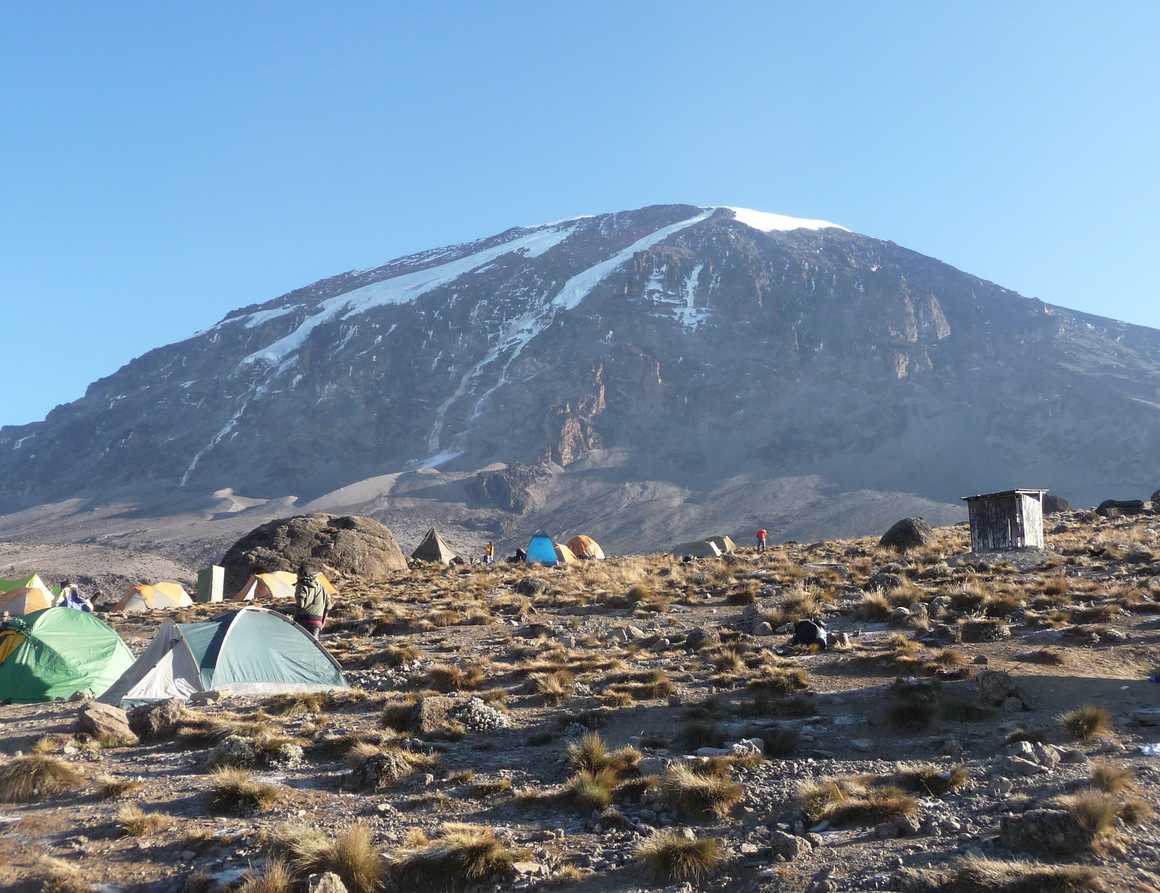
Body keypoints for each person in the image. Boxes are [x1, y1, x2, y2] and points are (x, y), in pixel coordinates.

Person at [293, 563, 331, 640]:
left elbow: (301, 605)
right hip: (317, 622)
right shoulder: (321, 587)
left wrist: (294, 618)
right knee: (313, 647)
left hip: (302, 621)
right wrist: (322, 622)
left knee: (300, 646)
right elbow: (328, 606)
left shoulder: (301, 585)